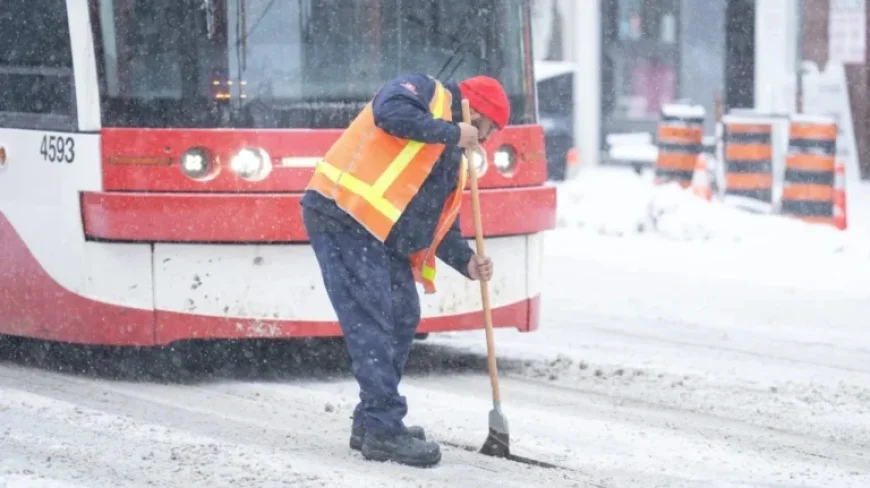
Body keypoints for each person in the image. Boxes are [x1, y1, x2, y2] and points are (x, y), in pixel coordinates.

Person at [300, 72, 510, 468]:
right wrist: (453, 131)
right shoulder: (424, 91)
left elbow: (437, 220)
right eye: (487, 128)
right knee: (373, 320)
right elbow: (389, 113)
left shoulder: (452, 154)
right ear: (475, 109)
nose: (485, 139)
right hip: (342, 213)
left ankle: (370, 421)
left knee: (401, 316)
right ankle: (383, 429)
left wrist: (466, 260)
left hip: (380, 233)